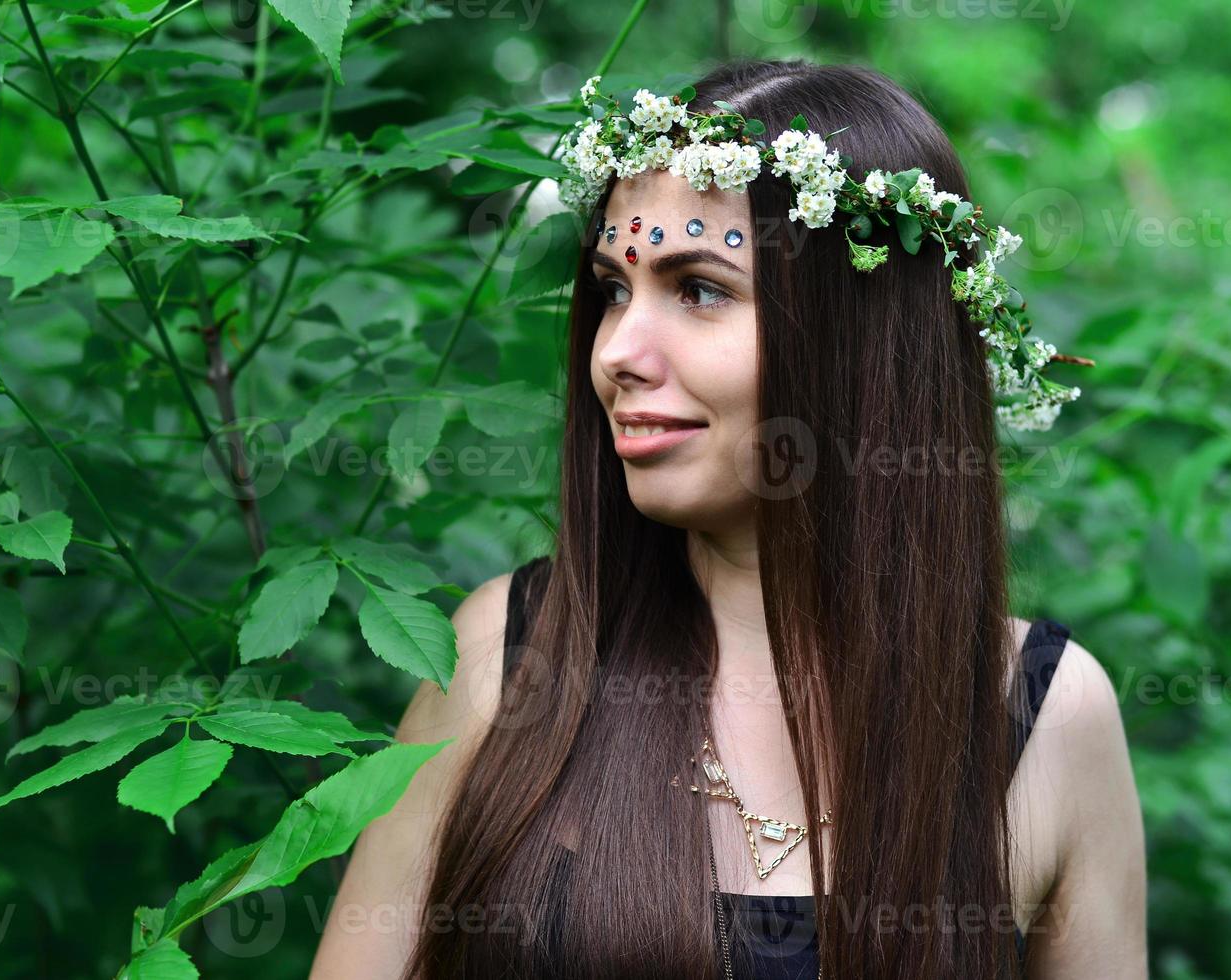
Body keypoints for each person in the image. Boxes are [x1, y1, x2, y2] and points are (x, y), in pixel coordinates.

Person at [310, 58, 1146, 980]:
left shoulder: (1042, 714)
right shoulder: (507, 660)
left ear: (860, 335)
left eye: (699, 288)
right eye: (614, 288)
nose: (618, 352)